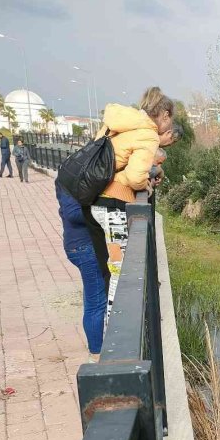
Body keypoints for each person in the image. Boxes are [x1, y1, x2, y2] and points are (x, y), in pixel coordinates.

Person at [80, 86, 174, 312]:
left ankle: (115, 327)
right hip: (112, 204)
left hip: (94, 199)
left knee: (110, 269)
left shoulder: (122, 123)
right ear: (164, 115)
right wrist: (146, 186)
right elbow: (134, 177)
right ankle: (118, 335)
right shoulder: (148, 133)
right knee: (119, 273)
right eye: (170, 121)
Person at [57, 180, 106, 362]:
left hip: (84, 246)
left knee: (92, 298)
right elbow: (73, 214)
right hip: (84, 247)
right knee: (96, 303)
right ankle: (96, 355)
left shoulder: (78, 175)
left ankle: (96, 349)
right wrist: (105, 209)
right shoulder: (69, 179)